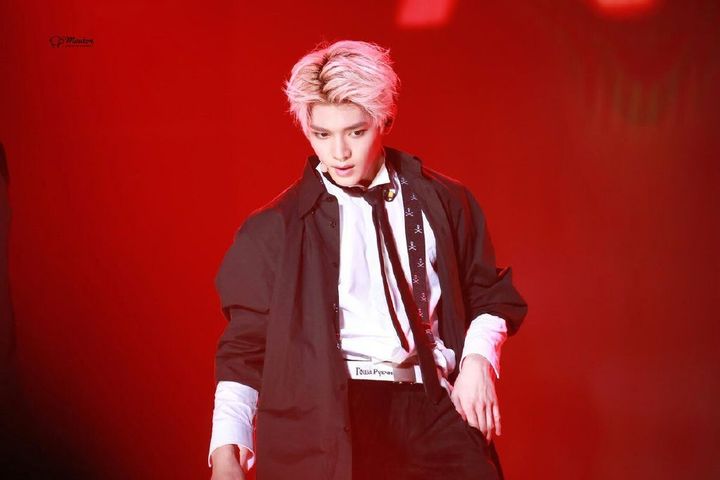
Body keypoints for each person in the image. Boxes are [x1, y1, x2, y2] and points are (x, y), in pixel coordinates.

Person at [208, 40, 527, 480]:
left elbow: (489, 294)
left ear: (384, 121)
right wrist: (226, 452)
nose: (339, 152)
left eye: (355, 132)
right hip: (332, 410)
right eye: (322, 134)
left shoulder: (442, 200)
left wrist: (477, 360)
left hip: (432, 400)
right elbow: (244, 350)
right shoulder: (275, 228)